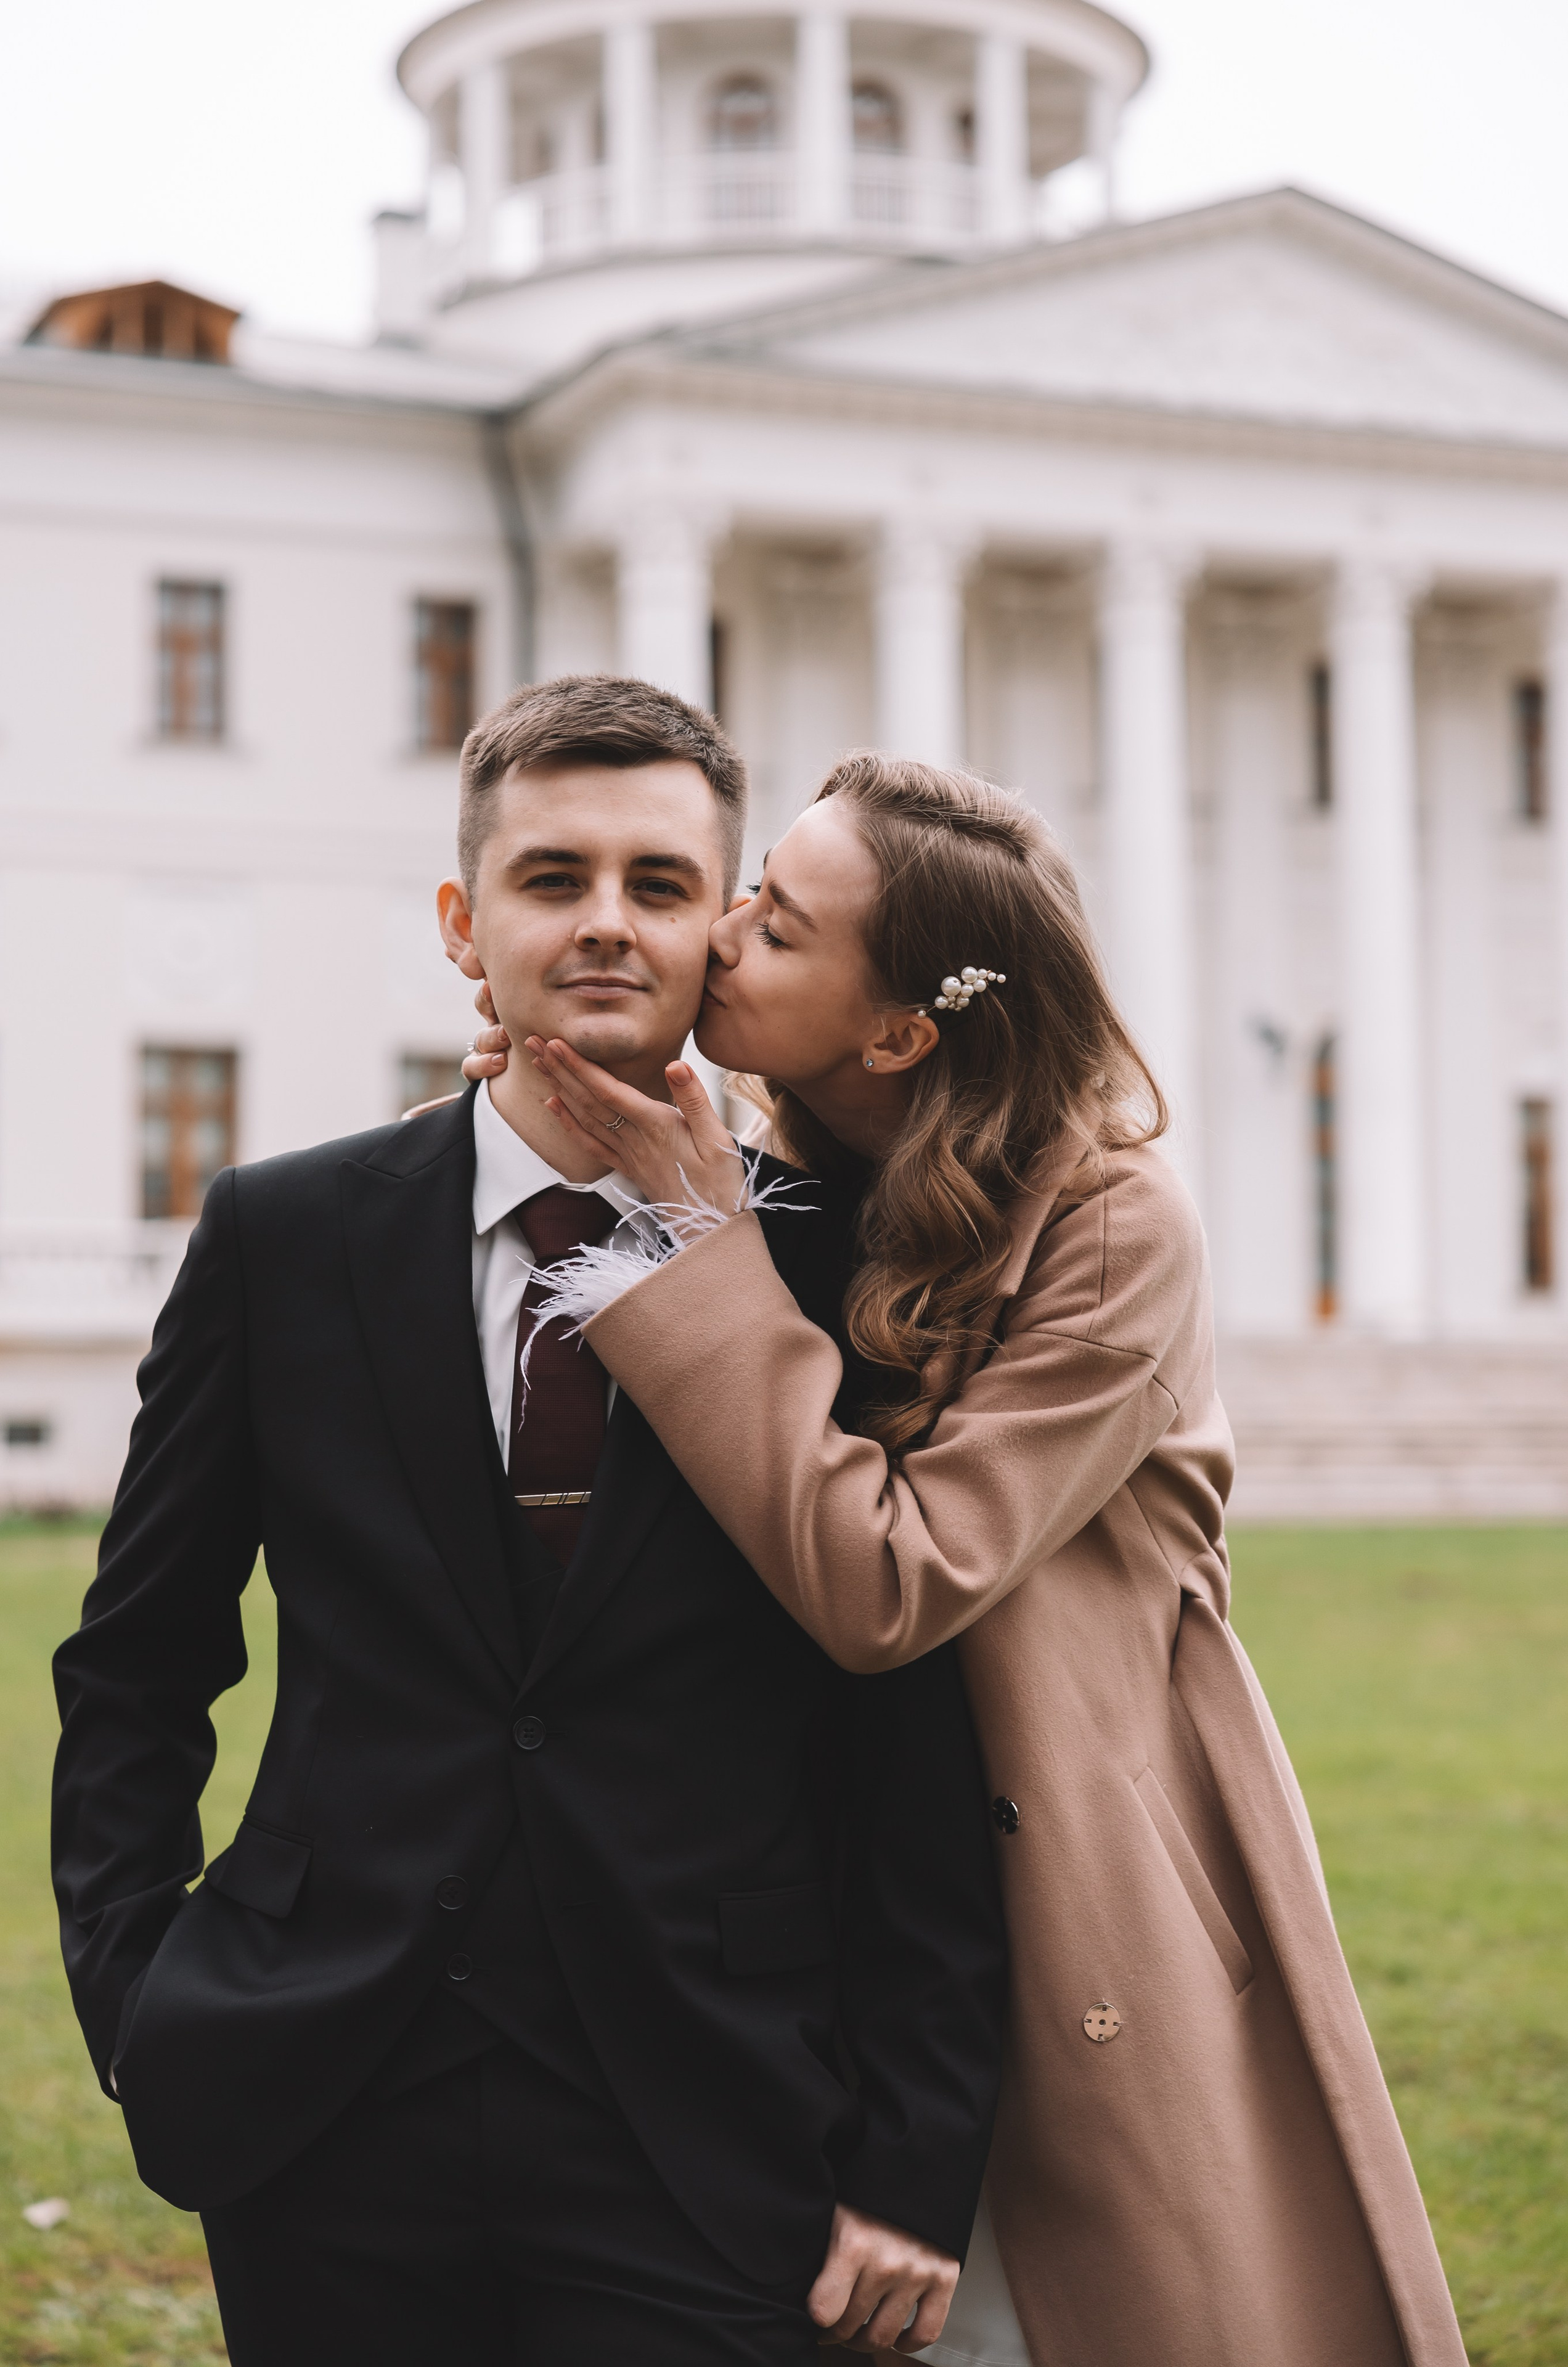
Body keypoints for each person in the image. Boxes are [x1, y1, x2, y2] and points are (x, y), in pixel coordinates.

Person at [463, 749, 1469, 2367]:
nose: (717, 934)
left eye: (777, 925)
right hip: (797, 1903)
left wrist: (701, 1243)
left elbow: (892, 1581)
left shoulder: (1117, 1228)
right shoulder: (793, 1178)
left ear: (900, 1031)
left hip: (1068, 1903)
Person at [49, 682, 1008, 2367]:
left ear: (722, 930)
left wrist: (917, 2159)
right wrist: (140, 2002)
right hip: (323, 2101)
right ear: (462, 922)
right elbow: (140, 1662)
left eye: (658, 884)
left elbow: (915, 1735)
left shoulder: (847, 1268)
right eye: (552, 878)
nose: (604, 925)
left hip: (712, 2125)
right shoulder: (284, 1238)